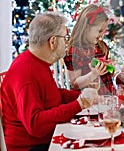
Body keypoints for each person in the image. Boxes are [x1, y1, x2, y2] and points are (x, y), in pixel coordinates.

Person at [1, 12, 97, 151]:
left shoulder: (37, 63)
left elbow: (52, 95)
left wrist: (84, 98)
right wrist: (78, 104)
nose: (67, 42)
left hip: (46, 139)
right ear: (53, 42)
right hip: (33, 147)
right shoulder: (26, 72)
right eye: (65, 38)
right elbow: (35, 125)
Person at [64, 4, 114, 94]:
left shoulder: (101, 47)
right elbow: (75, 83)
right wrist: (94, 74)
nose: (102, 35)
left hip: (106, 97)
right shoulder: (75, 51)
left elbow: (107, 77)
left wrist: (109, 69)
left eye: (104, 31)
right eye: (99, 31)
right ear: (87, 28)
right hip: (86, 101)